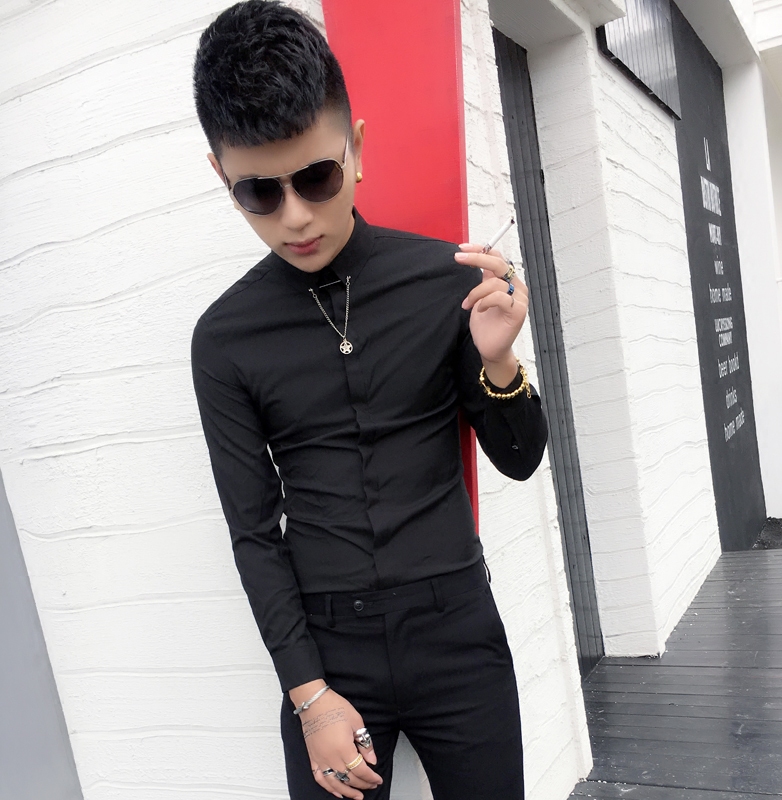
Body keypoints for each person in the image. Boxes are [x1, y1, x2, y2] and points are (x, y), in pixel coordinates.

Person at [189, 2, 548, 798]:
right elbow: (254, 534)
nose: (296, 217)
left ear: (356, 148)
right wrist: (309, 695)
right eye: (259, 192)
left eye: (316, 177)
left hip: (458, 633)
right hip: (328, 654)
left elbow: (520, 459)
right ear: (221, 175)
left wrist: (498, 363)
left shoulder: (445, 280)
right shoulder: (224, 340)